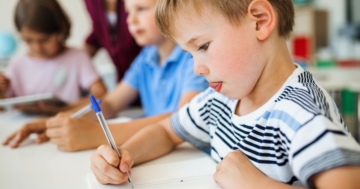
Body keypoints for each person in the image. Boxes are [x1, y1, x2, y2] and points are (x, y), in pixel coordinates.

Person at [90, 0, 360, 188]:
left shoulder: (302, 115)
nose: (197, 68)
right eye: (189, 53)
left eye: (203, 46)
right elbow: (166, 132)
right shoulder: (219, 99)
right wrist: (123, 155)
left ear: (260, 21)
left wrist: (255, 185)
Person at [2, 0, 208, 152]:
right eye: (128, 11)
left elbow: (182, 119)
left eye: (141, 9)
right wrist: (53, 123)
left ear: (170, 8)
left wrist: (96, 134)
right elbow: (109, 104)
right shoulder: (146, 58)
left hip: (188, 154)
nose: (131, 20)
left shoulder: (192, 58)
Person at [0, 0, 106, 115]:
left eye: (44, 40)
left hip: (67, 124)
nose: (37, 48)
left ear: (60, 30)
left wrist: (65, 108)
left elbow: (102, 95)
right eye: (28, 40)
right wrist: (2, 93)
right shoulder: (17, 64)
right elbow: (4, 108)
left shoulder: (77, 58)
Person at [84, 0, 141, 81]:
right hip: (124, 76)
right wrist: (78, 57)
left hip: (143, 65)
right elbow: (98, 30)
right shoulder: (90, 2)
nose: (130, 20)